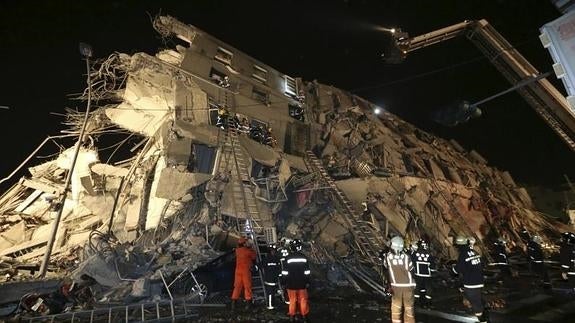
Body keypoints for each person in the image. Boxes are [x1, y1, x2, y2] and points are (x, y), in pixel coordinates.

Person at [452, 236, 488, 323]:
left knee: (475, 302)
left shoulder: (463, 255)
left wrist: (453, 269)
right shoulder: (474, 252)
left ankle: (483, 320)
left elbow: (457, 270)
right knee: (477, 299)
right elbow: (481, 265)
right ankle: (483, 313)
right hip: (479, 281)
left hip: (471, 283)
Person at [383, 236, 416, 323]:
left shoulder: (387, 257)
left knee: (396, 311)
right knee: (409, 311)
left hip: (395, 287)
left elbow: (385, 268)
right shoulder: (406, 257)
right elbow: (412, 271)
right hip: (408, 287)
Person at [282, 239, 310, 322]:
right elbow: (307, 272)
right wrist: (307, 282)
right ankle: (304, 316)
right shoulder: (304, 258)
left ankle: (292, 317)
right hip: (302, 284)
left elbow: (285, 273)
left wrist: (284, 282)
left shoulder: (288, 258)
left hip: (291, 284)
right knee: (303, 300)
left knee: (292, 301)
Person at [231, 237, 257, 311]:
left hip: (238, 271)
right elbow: (254, 256)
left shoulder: (237, 251)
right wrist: (252, 248)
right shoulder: (248, 251)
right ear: (244, 243)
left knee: (237, 287)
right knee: (247, 287)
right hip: (245, 271)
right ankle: (248, 304)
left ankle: (233, 304)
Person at [411, 239, 435, 308]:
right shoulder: (429, 255)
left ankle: (417, 301)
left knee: (417, 288)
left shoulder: (415, 254)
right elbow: (432, 266)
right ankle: (428, 302)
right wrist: (433, 272)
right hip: (427, 275)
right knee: (427, 288)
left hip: (418, 275)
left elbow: (411, 264)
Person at [261, 243, 282, 310]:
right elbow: (260, 265)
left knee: (272, 293)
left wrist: (280, 275)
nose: (273, 252)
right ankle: (270, 306)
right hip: (269, 280)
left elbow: (279, 268)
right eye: (272, 250)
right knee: (270, 294)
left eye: (274, 250)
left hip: (274, 280)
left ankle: (272, 305)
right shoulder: (268, 259)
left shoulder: (276, 259)